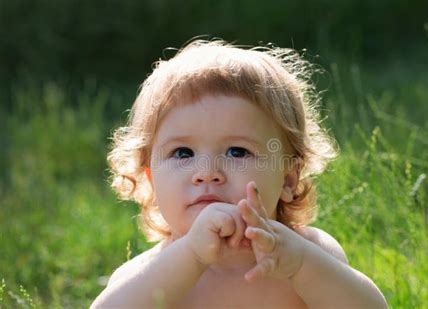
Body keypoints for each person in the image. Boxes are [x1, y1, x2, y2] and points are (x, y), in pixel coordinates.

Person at [92, 39, 387, 308]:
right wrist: (192, 256)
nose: (207, 173)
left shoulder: (306, 253)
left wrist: (301, 266)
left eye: (237, 151)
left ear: (288, 178)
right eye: (182, 153)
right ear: (152, 179)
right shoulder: (155, 274)